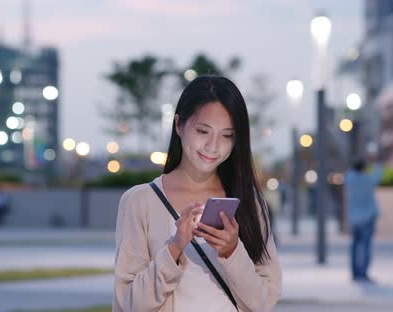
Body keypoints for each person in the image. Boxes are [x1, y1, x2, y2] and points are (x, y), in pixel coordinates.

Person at [113, 76, 281, 311]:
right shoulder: (140, 201)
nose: (213, 146)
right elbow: (130, 304)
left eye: (227, 135)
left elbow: (263, 302)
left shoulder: (249, 202)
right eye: (203, 131)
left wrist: (232, 252)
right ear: (179, 125)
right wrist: (174, 249)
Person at [344, 156, 383, 283]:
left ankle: (355, 273)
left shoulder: (350, 179)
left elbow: (348, 174)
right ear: (364, 168)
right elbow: (378, 175)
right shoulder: (367, 179)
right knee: (366, 246)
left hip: (354, 218)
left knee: (354, 246)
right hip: (367, 218)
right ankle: (363, 273)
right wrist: (376, 163)